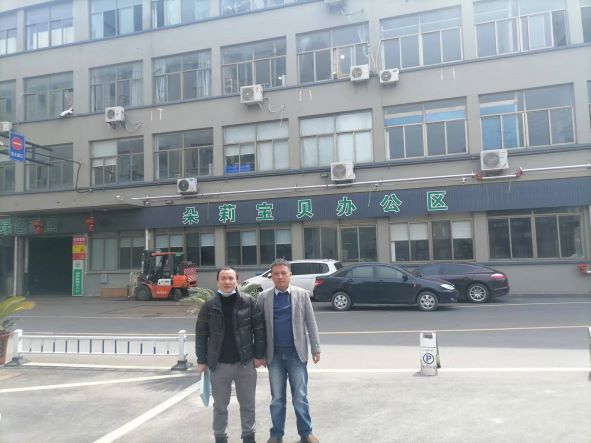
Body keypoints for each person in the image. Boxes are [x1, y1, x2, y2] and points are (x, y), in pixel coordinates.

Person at [196, 267, 266, 443]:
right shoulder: (209, 305)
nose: (227, 282)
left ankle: (248, 436)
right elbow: (201, 334)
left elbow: (259, 330)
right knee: (220, 405)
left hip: (245, 364)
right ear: (218, 282)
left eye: (231, 278)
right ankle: (220, 436)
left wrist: (259, 356)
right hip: (219, 365)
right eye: (223, 278)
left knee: (248, 404)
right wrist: (201, 360)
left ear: (237, 281)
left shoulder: (248, 302)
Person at [257, 258, 321, 443]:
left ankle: (306, 433)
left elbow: (311, 323)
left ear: (290, 275)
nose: (280, 277)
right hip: (274, 356)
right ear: (271, 276)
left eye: (283, 273)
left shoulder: (302, 295)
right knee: (277, 398)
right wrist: (259, 354)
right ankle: (276, 435)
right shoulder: (263, 297)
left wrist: (316, 348)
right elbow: (259, 328)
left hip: (296, 354)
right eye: (276, 274)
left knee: (300, 397)